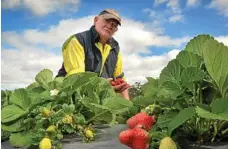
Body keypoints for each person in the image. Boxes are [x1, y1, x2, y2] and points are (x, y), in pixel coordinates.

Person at [56, 9, 130, 99]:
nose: (110, 26)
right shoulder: (78, 40)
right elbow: (76, 78)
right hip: (68, 96)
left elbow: (120, 79)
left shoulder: (115, 48)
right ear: (95, 20)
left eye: (114, 25)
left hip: (96, 98)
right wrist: (103, 85)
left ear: (116, 30)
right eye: (107, 20)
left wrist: (128, 106)